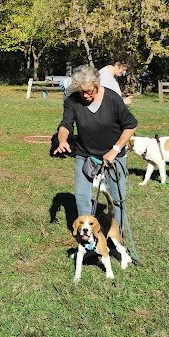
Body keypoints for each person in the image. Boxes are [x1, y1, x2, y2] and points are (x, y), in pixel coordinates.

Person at [54, 65, 138, 225]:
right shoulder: (73, 100)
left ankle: (119, 238)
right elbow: (65, 124)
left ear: (97, 84)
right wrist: (63, 140)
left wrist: (115, 150)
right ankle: (87, 237)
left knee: (117, 198)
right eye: (81, 92)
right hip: (85, 153)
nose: (85, 95)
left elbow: (131, 125)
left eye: (89, 91)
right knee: (81, 196)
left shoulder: (112, 98)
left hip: (113, 154)